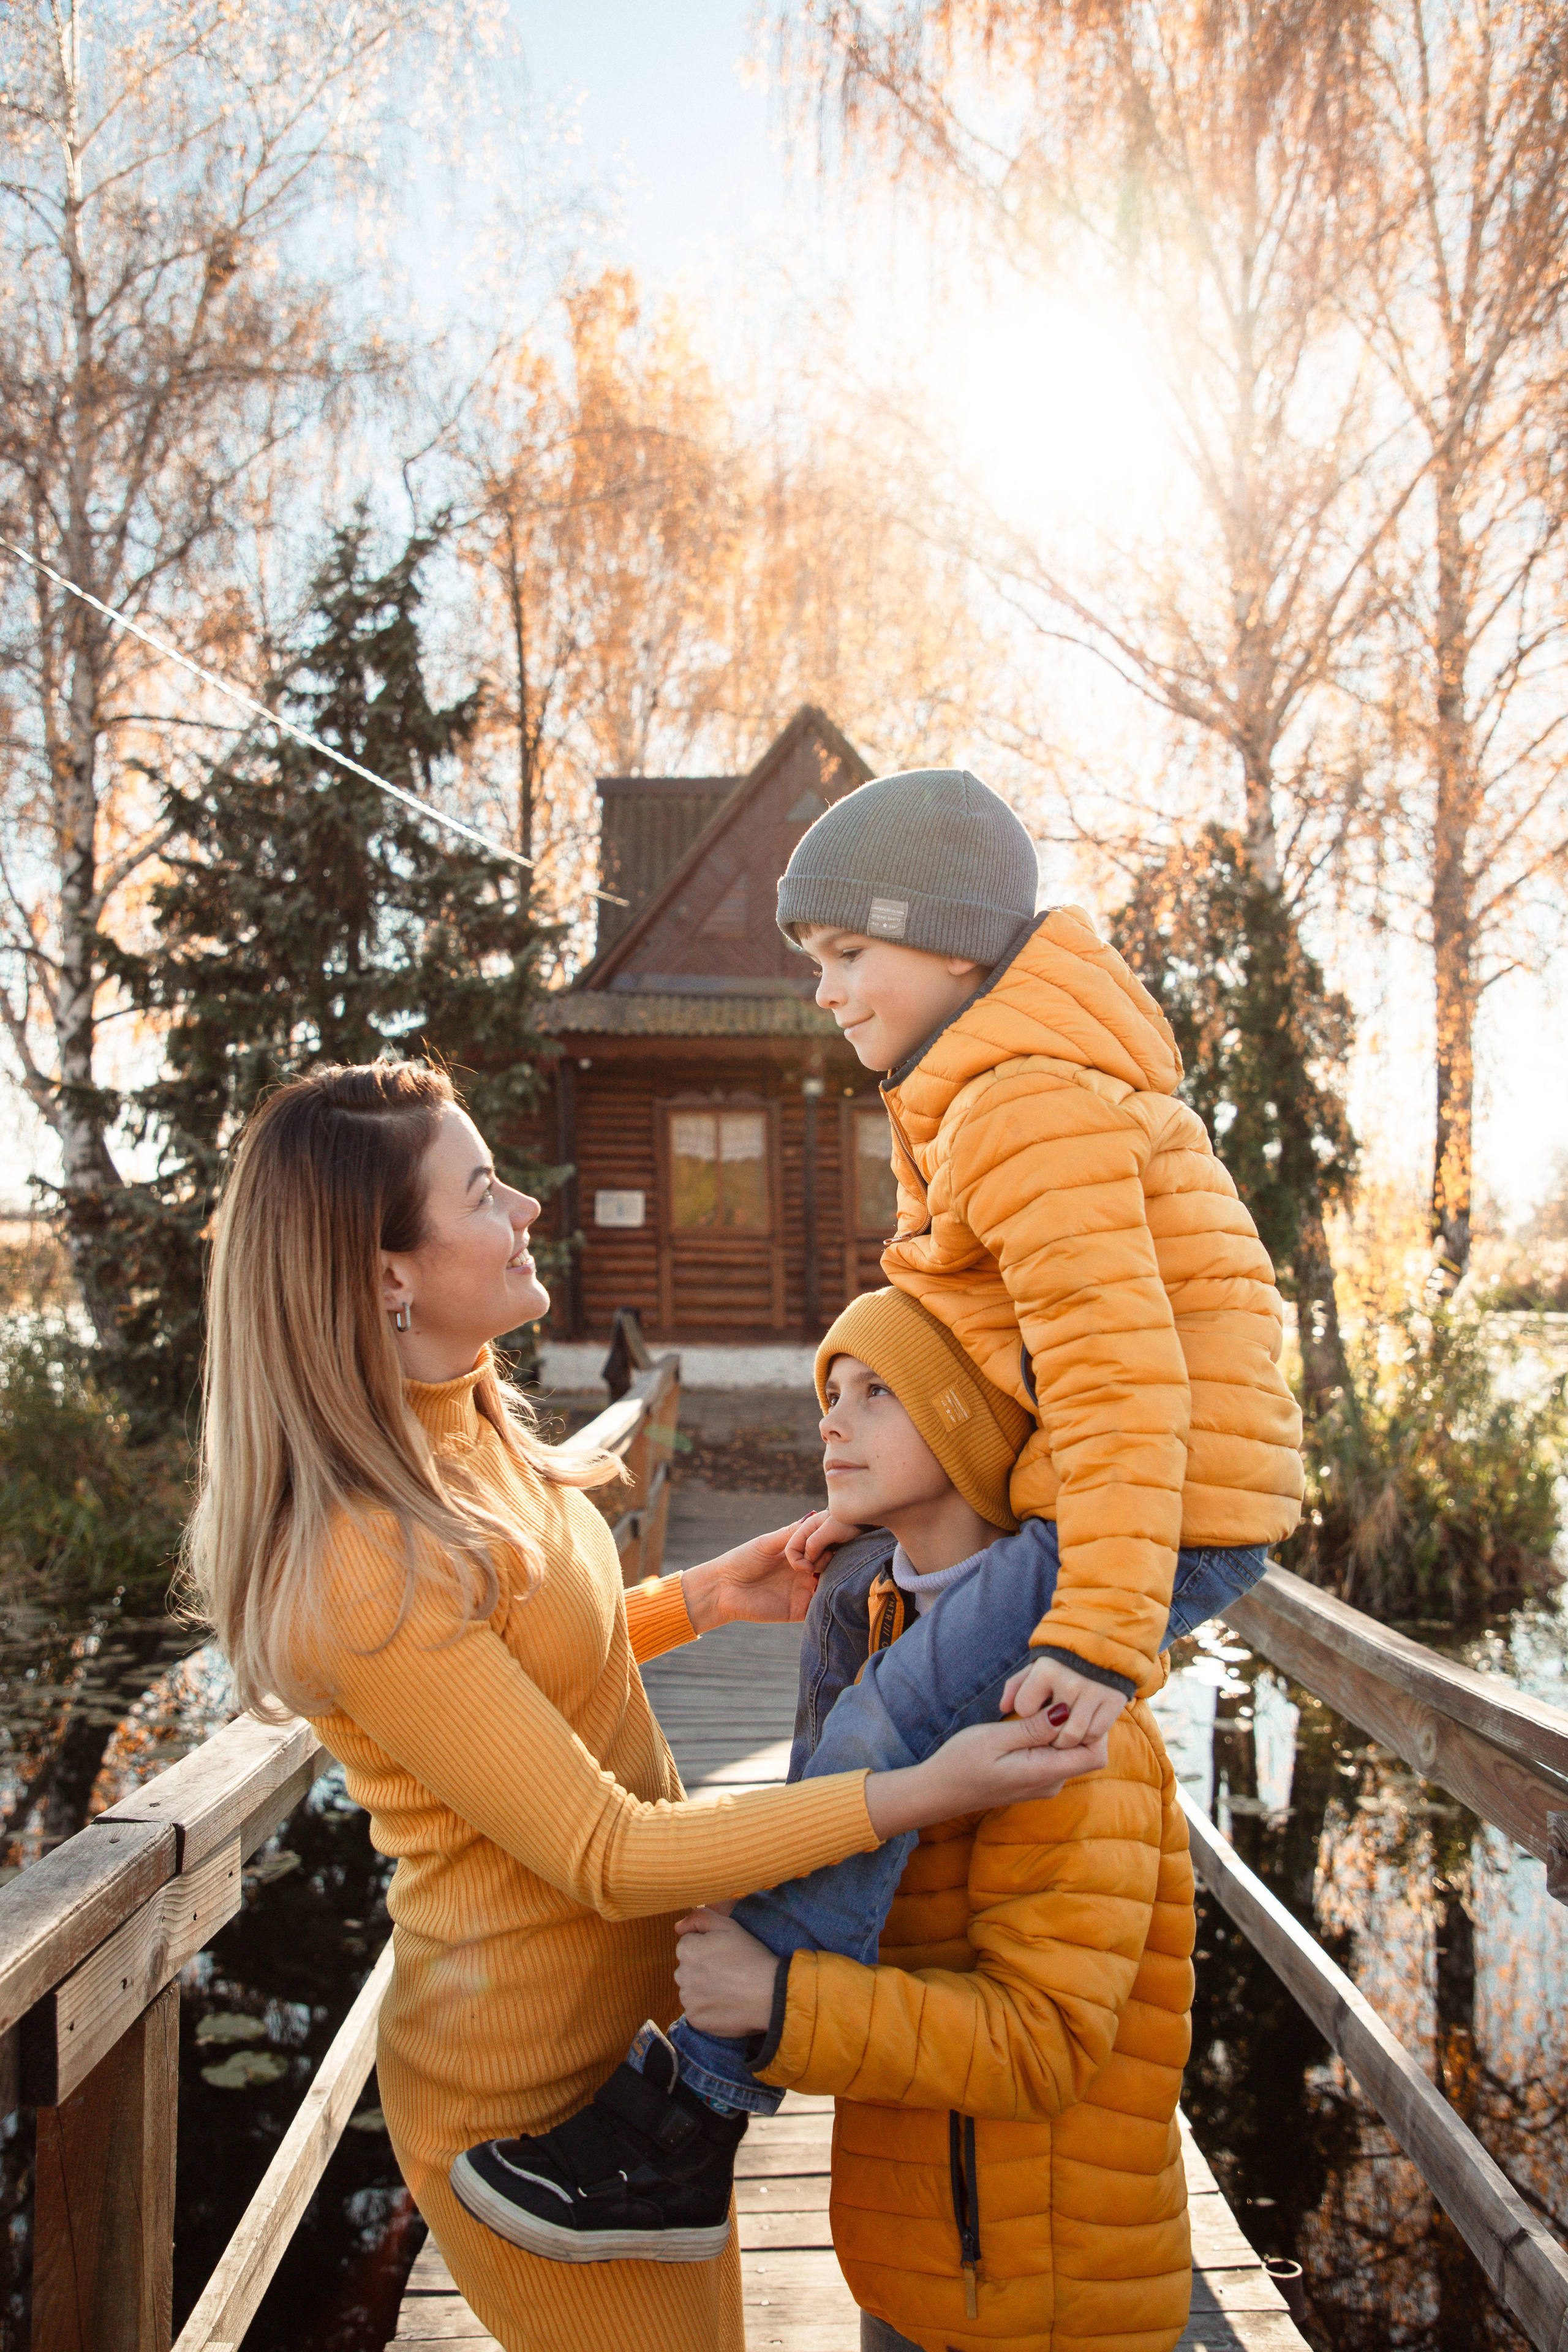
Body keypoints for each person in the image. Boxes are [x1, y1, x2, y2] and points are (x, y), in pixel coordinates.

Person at [459, 768, 1298, 2264]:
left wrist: (1099, 1641)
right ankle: (794, 1907)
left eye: (851, 954)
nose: (826, 992)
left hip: (1161, 1510)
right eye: (813, 961)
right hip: (1097, 1494)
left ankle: (692, 2126)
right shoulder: (980, 1088)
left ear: (954, 950)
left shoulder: (1024, 1099)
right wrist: (882, 1523)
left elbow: (1114, 1385)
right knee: (852, 1611)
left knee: (886, 1725)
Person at [187, 1058, 1092, 2352]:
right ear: (387, 1274)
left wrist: (703, 1600)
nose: (526, 1213)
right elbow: (605, 1855)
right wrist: (913, 1793)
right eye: (484, 1192)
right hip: (533, 2105)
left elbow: (517, 1666)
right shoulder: (359, 1557)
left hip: (647, 2063)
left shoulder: (466, 1423)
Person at [673, 1286, 1197, 2351]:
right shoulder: (873, 1633)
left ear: (973, 1425)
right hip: (916, 2259)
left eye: (876, 1393)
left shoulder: (1061, 1713)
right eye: (830, 1392)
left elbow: (1046, 2045)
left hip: (1038, 2295)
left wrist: (777, 1999)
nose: (831, 1419)